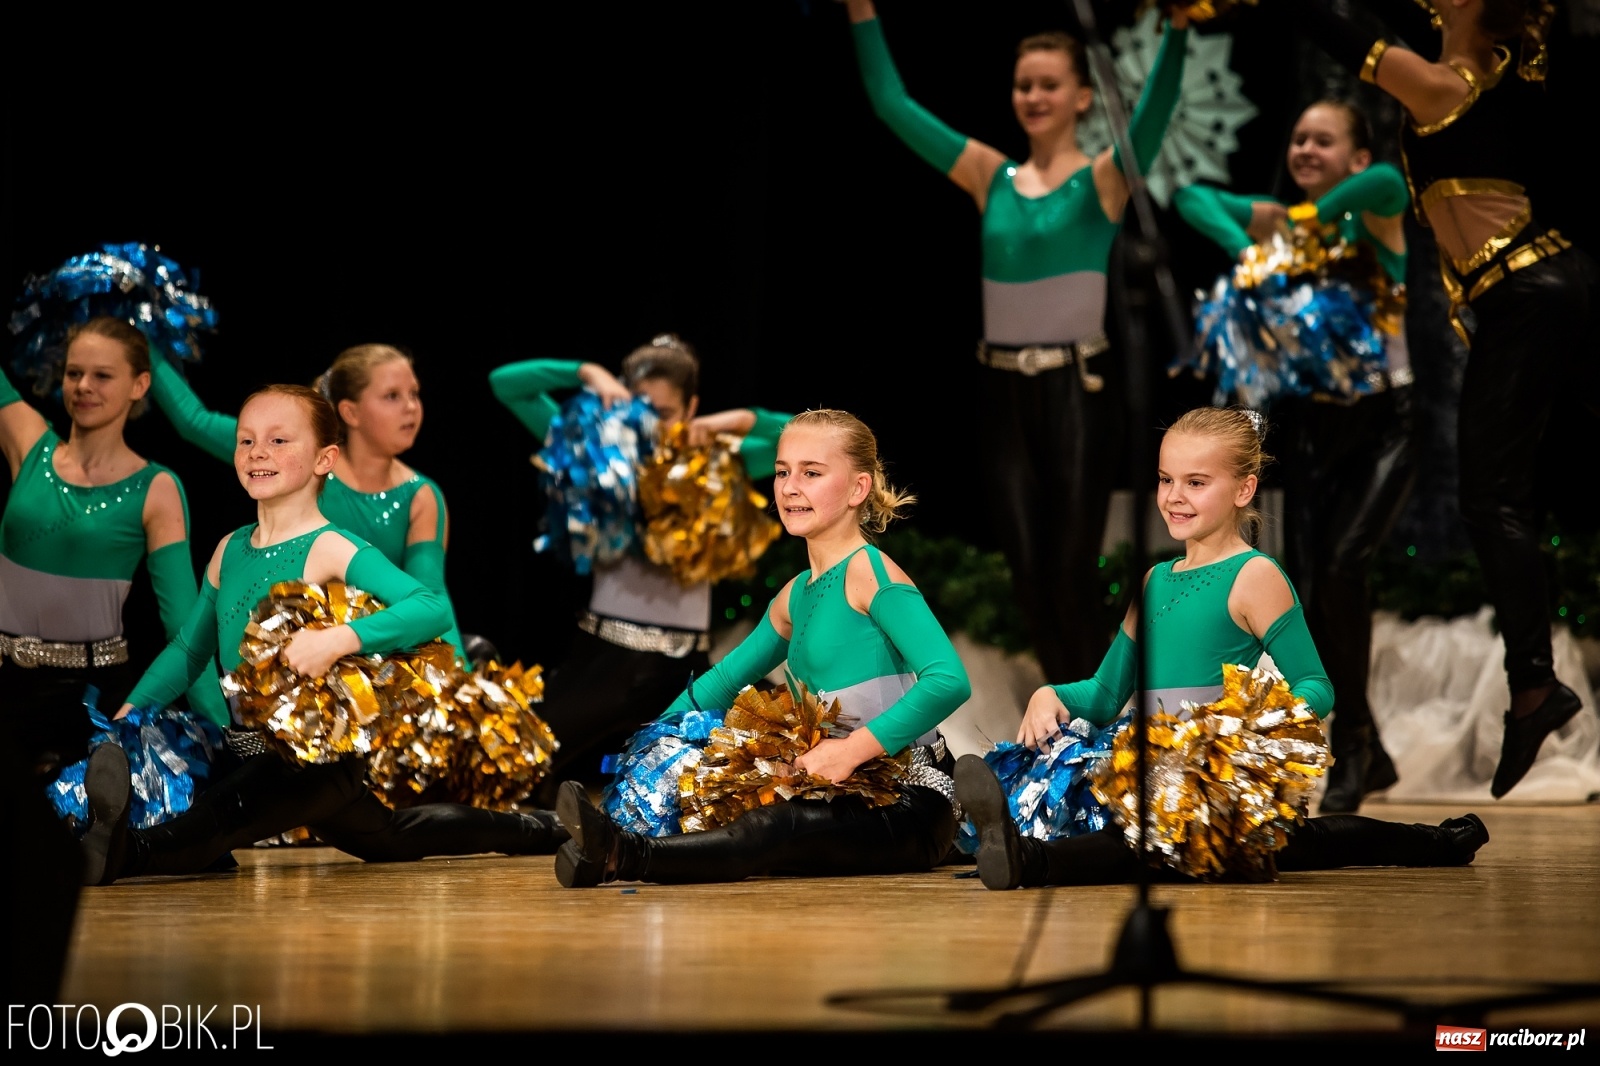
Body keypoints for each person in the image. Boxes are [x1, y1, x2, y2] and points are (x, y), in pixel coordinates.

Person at [1261, 2, 1599, 800]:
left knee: (1490, 499)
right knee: (1495, 498)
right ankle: (1534, 686)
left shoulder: (1448, 85)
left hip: (1530, 292)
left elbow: (1345, 33)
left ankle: (1535, 686)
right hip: (1539, 294)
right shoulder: (1481, 76)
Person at [956, 406, 1488, 889]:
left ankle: (1031, 861)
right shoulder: (1154, 581)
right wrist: (1051, 694)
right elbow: (1105, 694)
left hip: (1217, 776)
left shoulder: (1254, 574)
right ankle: (1008, 843)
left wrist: (1245, 735)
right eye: (1165, 479)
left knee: (1165, 841)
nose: (1174, 496)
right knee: (1273, 841)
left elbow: (1317, 686)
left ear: (1243, 490)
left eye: (1196, 482)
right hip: (1149, 767)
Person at [77, 385, 565, 886]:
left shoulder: (331, 546)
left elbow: (430, 606)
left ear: (324, 459)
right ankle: (542, 829)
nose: (258, 452)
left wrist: (339, 639)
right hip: (246, 750)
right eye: (246, 440)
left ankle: (125, 853)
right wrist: (128, 716)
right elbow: (188, 649)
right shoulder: (229, 549)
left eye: (278, 440)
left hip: (316, 760)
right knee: (391, 836)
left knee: (227, 812)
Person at [841, 0, 1189, 682]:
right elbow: (891, 103)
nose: (1032, 96)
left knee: (1069, 568)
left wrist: (1178, 27)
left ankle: (1097, 719)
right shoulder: (989, 175)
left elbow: (1152, 115)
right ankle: (1071, 720)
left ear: (1083, 97)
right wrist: (861, 11)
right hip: (1001, 392)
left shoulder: (1103, 180)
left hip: (1078, 390)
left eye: (1049, 84)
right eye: (1023, 85)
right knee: (1028, 572)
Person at [552, 408, 973, 887]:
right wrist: (650, 746)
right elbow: (723, 681)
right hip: (834, 792)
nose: (790, 487)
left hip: (907, 800)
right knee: (700, 794)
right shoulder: (795, 595)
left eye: (811, 473)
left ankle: (620, 856)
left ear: (858, 489)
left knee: (772, 826)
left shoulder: (871, 573)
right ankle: (560, 833)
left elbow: (948, 680)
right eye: (782, 472)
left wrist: (851, 750)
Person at [1172, 99, 1416, 812]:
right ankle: (1368, 745)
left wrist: (1295, 229)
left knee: (1343, 566)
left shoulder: (1370, 211)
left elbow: (1388, 184)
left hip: (1388, 423)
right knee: (1310, 583)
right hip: (1312, 426)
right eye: (1298, 138)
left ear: (1356, 155)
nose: (1305, 149)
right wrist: (1253, 247)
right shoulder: (1281, 223)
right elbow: (1191, 198)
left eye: (1323, 140)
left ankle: (1357, 746)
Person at [489, 335, 792, 799]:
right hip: (604, 660)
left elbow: (803, 436)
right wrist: (587, 371)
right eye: (638, 410)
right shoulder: (593, 450)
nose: (649, 426)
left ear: (691, 408)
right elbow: (506, 384)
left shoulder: (721, 458)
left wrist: (735, 421)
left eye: (664, 413)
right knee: (512, 768)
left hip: (688, 670)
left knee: (773, 751)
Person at [1, 318, 228, 782]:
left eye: (102, 375)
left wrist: (225, 735)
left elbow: (186, 627)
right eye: (74, 373)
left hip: (86, 703)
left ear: (140, 384)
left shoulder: (156, 488)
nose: (84, 386)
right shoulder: (29, 441)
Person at [147, 343, 467, 659]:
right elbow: (194, 421)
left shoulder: (422, 495)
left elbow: (432, 595)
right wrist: (143, 338)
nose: (411, 407)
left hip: (375, 665)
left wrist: (458, 679)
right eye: (392, 396)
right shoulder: (296, 459)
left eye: (414, 394)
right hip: (291, 658)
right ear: (350, 412)